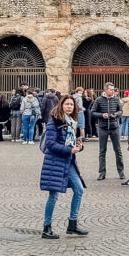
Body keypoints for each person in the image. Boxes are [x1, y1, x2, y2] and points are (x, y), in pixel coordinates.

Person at [39, 95, 88, 240]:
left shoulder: (72, 122)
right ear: (61, 105)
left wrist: (79, 147)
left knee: (78, 189)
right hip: (55, 162)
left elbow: (70, 142)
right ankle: (46, 228)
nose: (69, 107)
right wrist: (69, 150)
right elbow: (50, 144)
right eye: (67, 104)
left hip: (69, 161)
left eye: (71, 105)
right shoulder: (54, 121)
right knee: (53, 196)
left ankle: (72, 224)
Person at [90, 82, 125, 180]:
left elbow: (121, 111)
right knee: (102, 151)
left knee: (118, 150)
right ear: (105, 90)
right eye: (111, 89)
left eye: (113, 89)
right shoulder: (99, 100)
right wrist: (102, 115)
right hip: (103, 128)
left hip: (114, 127)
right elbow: (92, 112)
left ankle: (121, 171)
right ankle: (102, 172)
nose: (113, 91)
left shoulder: (116, 99)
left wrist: (117, 114)